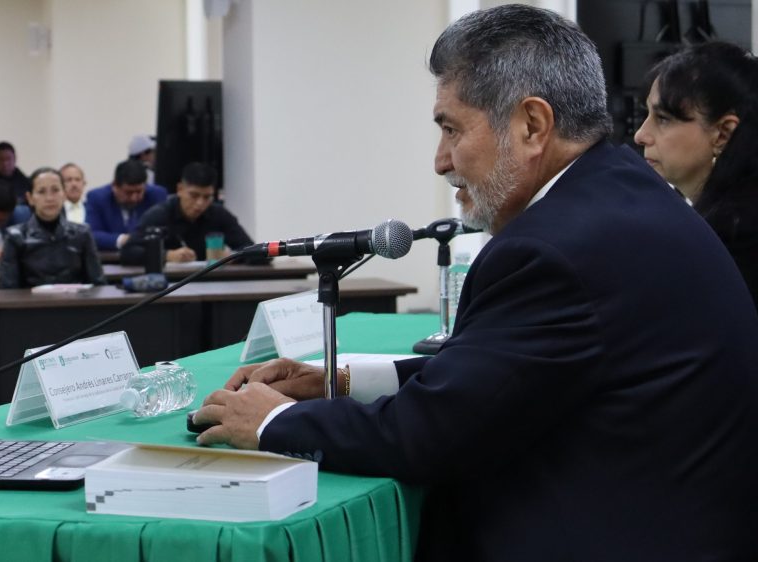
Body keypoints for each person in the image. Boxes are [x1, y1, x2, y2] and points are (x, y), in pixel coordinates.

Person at [193, 6, 758, 560]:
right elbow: (501, 376)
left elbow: (429, 435)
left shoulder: (554, 248)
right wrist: (339, 380)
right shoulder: (616, 191)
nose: (440, 161)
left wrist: (271, 421)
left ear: (532, 125)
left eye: (451, 129)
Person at [634, 42, 758, 309]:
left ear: (722, 133)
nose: (641, 135)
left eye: (663, 118)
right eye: (647, 114)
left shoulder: (734, 239)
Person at [121, 162, 265, 265]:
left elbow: (257, 251)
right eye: (194, 195)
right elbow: (128, 252)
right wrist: (167, 255)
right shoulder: (159, 214)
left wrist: (232, 256)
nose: (200, 203)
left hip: (213, 284)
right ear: (180, 189)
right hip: (171, 285)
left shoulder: (218, 214)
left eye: (207, 197)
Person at [0, 167, 105, 288]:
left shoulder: (82, 233)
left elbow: (98, 284)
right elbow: (8, 289)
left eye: (55, 190)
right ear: (30, 198)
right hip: (30, 300)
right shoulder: (15, 236)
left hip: (74, 299)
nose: (49, 198)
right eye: (41, 192)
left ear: (64, 194)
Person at [84, 160, 167, 251]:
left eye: (139, 192)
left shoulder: (157, 195)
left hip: (149, 255)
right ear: (114, 186)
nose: (134, 198)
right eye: (129, 192)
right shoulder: (97, 197)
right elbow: (92, 235)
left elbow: (165, 231)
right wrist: (124, 240)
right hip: (111, 257)